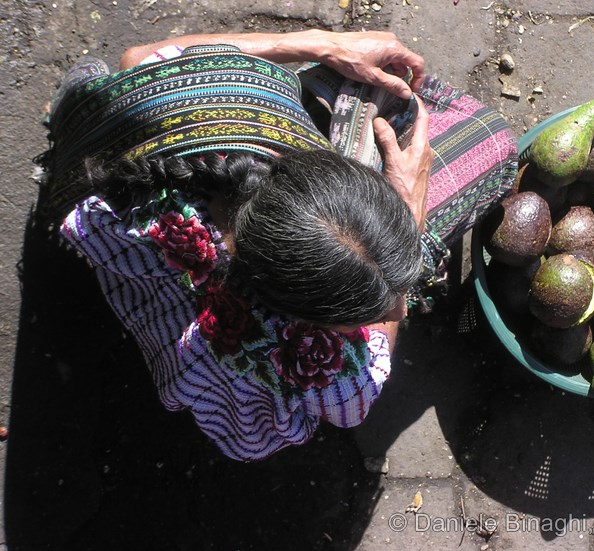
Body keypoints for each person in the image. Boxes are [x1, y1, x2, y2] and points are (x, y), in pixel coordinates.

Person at [40, 29, 518, 461]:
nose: (397, 311)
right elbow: (354, 406)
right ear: (297, 316)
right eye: (364, 314)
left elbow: (137, 58)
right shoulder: (312, 359)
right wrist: (412, 214)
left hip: (136, 257)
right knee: (495, 145)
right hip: (215, 361)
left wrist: (323, 44)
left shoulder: (211, 127)